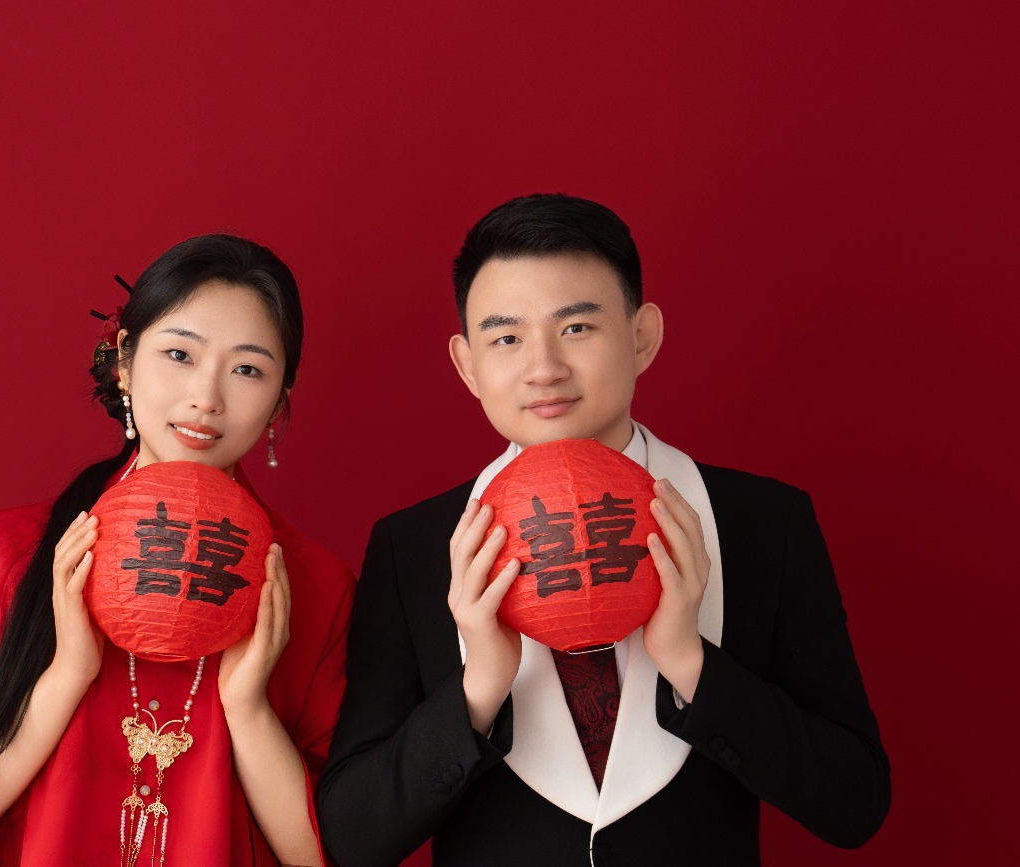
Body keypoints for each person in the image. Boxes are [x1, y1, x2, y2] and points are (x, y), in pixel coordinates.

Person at [317, 194, 890, 866]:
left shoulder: (764, 522)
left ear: (641, 335)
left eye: (577, 327)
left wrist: (693, 665)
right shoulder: (413, 546)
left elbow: (854, 801)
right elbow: (352, 837)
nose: (544, 369)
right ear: (467, 364)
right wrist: (477, 689)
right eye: (506, 338)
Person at [0, 234, 355, 867]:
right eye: (179, 354)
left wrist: (248, 710)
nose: (207, 397)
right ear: (124, 363)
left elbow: (331, 854)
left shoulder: (314, 588)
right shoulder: (7, 554)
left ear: (280, 400)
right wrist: (66, 676)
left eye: (248, 369)